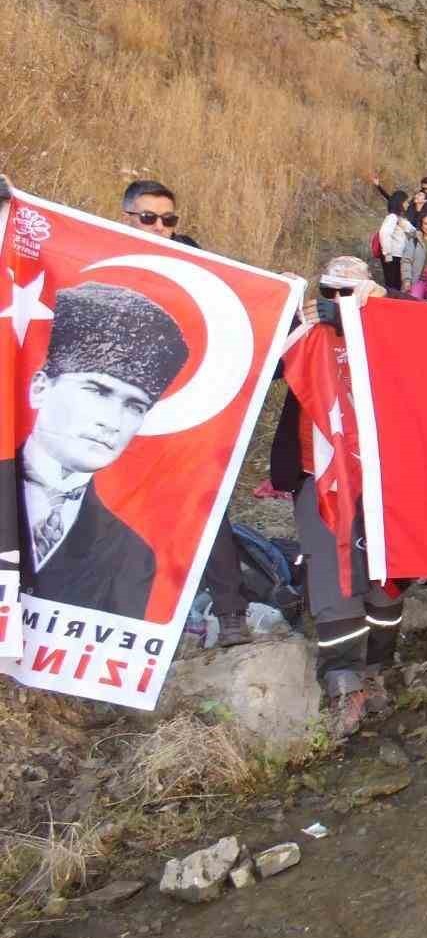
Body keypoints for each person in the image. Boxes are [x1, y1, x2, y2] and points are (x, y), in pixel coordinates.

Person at [114, 179, 258, 645]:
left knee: (205, 509)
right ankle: (135, 619)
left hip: (187, 410)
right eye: (149, 218)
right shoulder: (105, 255)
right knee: (126, 512)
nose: (161, 228)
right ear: (127, 217)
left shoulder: (198, 265)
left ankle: (231, 614)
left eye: (169, 219)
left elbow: (242, 307)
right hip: (124, 413)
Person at [268, 257, 401, 736]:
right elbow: (259, 358)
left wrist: (386, 305)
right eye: (331, 292)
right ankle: (342, 680)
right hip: (318, 473)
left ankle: (377, 668)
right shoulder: (306, 332)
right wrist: (282, 308)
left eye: (351, 292)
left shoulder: (390, 330)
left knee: (386, 574)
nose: (338, 303)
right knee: (330, 572)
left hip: (383, 476)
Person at [19, 283, 189, 620]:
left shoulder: (132, 555)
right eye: (96, 390)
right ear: (40, 388)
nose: (112, 422)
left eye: (135, 406)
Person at [377, 191, 414, 290]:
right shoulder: (392, 217)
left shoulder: (400, 219)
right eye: (406, 202)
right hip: (393, 256)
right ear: (400, 202)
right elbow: (384, 233)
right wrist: (387, 253)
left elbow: (412, 232)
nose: (408, 204)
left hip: (398, 255)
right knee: (393, 284)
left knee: (396, 283)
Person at [403, 213, 427, 291]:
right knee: (415, 301)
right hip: (418, 282)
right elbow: (406, 261)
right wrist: (407, 280)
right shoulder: (414, 241)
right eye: (426, 224)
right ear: (422, 226)